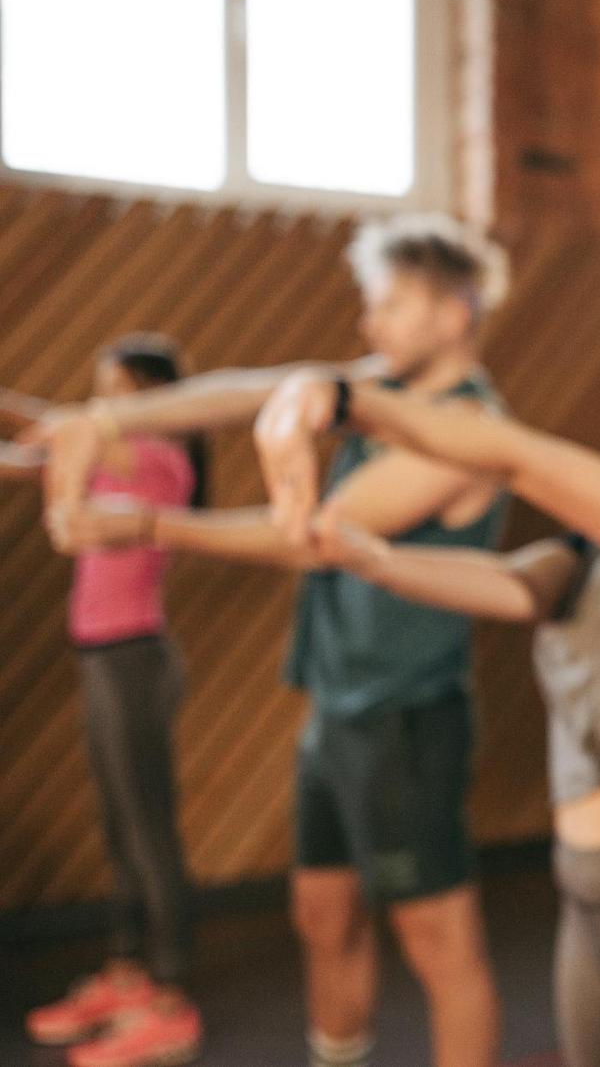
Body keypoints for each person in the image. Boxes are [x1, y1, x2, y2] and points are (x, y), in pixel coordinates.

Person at [252, 321, 600, 1067]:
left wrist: (344, 397)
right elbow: (513, 587)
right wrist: (375, 560)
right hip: (590, 916)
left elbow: (515, 457)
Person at [34, 215, 511, 1067]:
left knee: (440, 945)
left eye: (392, 306)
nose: (371, 326)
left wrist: (146, 521)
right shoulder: (377, 389)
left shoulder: (470, 431)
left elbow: (316, 534)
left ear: (455, 312)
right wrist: (102, 423)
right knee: (322, 917)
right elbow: (245, 389)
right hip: (336, 707)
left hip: (406, 717)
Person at [3, 336, 206, 1067]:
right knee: (118, 827)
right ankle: (128, 974)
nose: (99, 404)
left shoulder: (154, 458)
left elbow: (54, 430)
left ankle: (171, 1000)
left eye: (114, 390)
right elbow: (32, 455)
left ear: (152, 399)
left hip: (135, 663)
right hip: (99, 661)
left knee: (150, 832)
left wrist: (32, 415)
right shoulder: (99, 456)